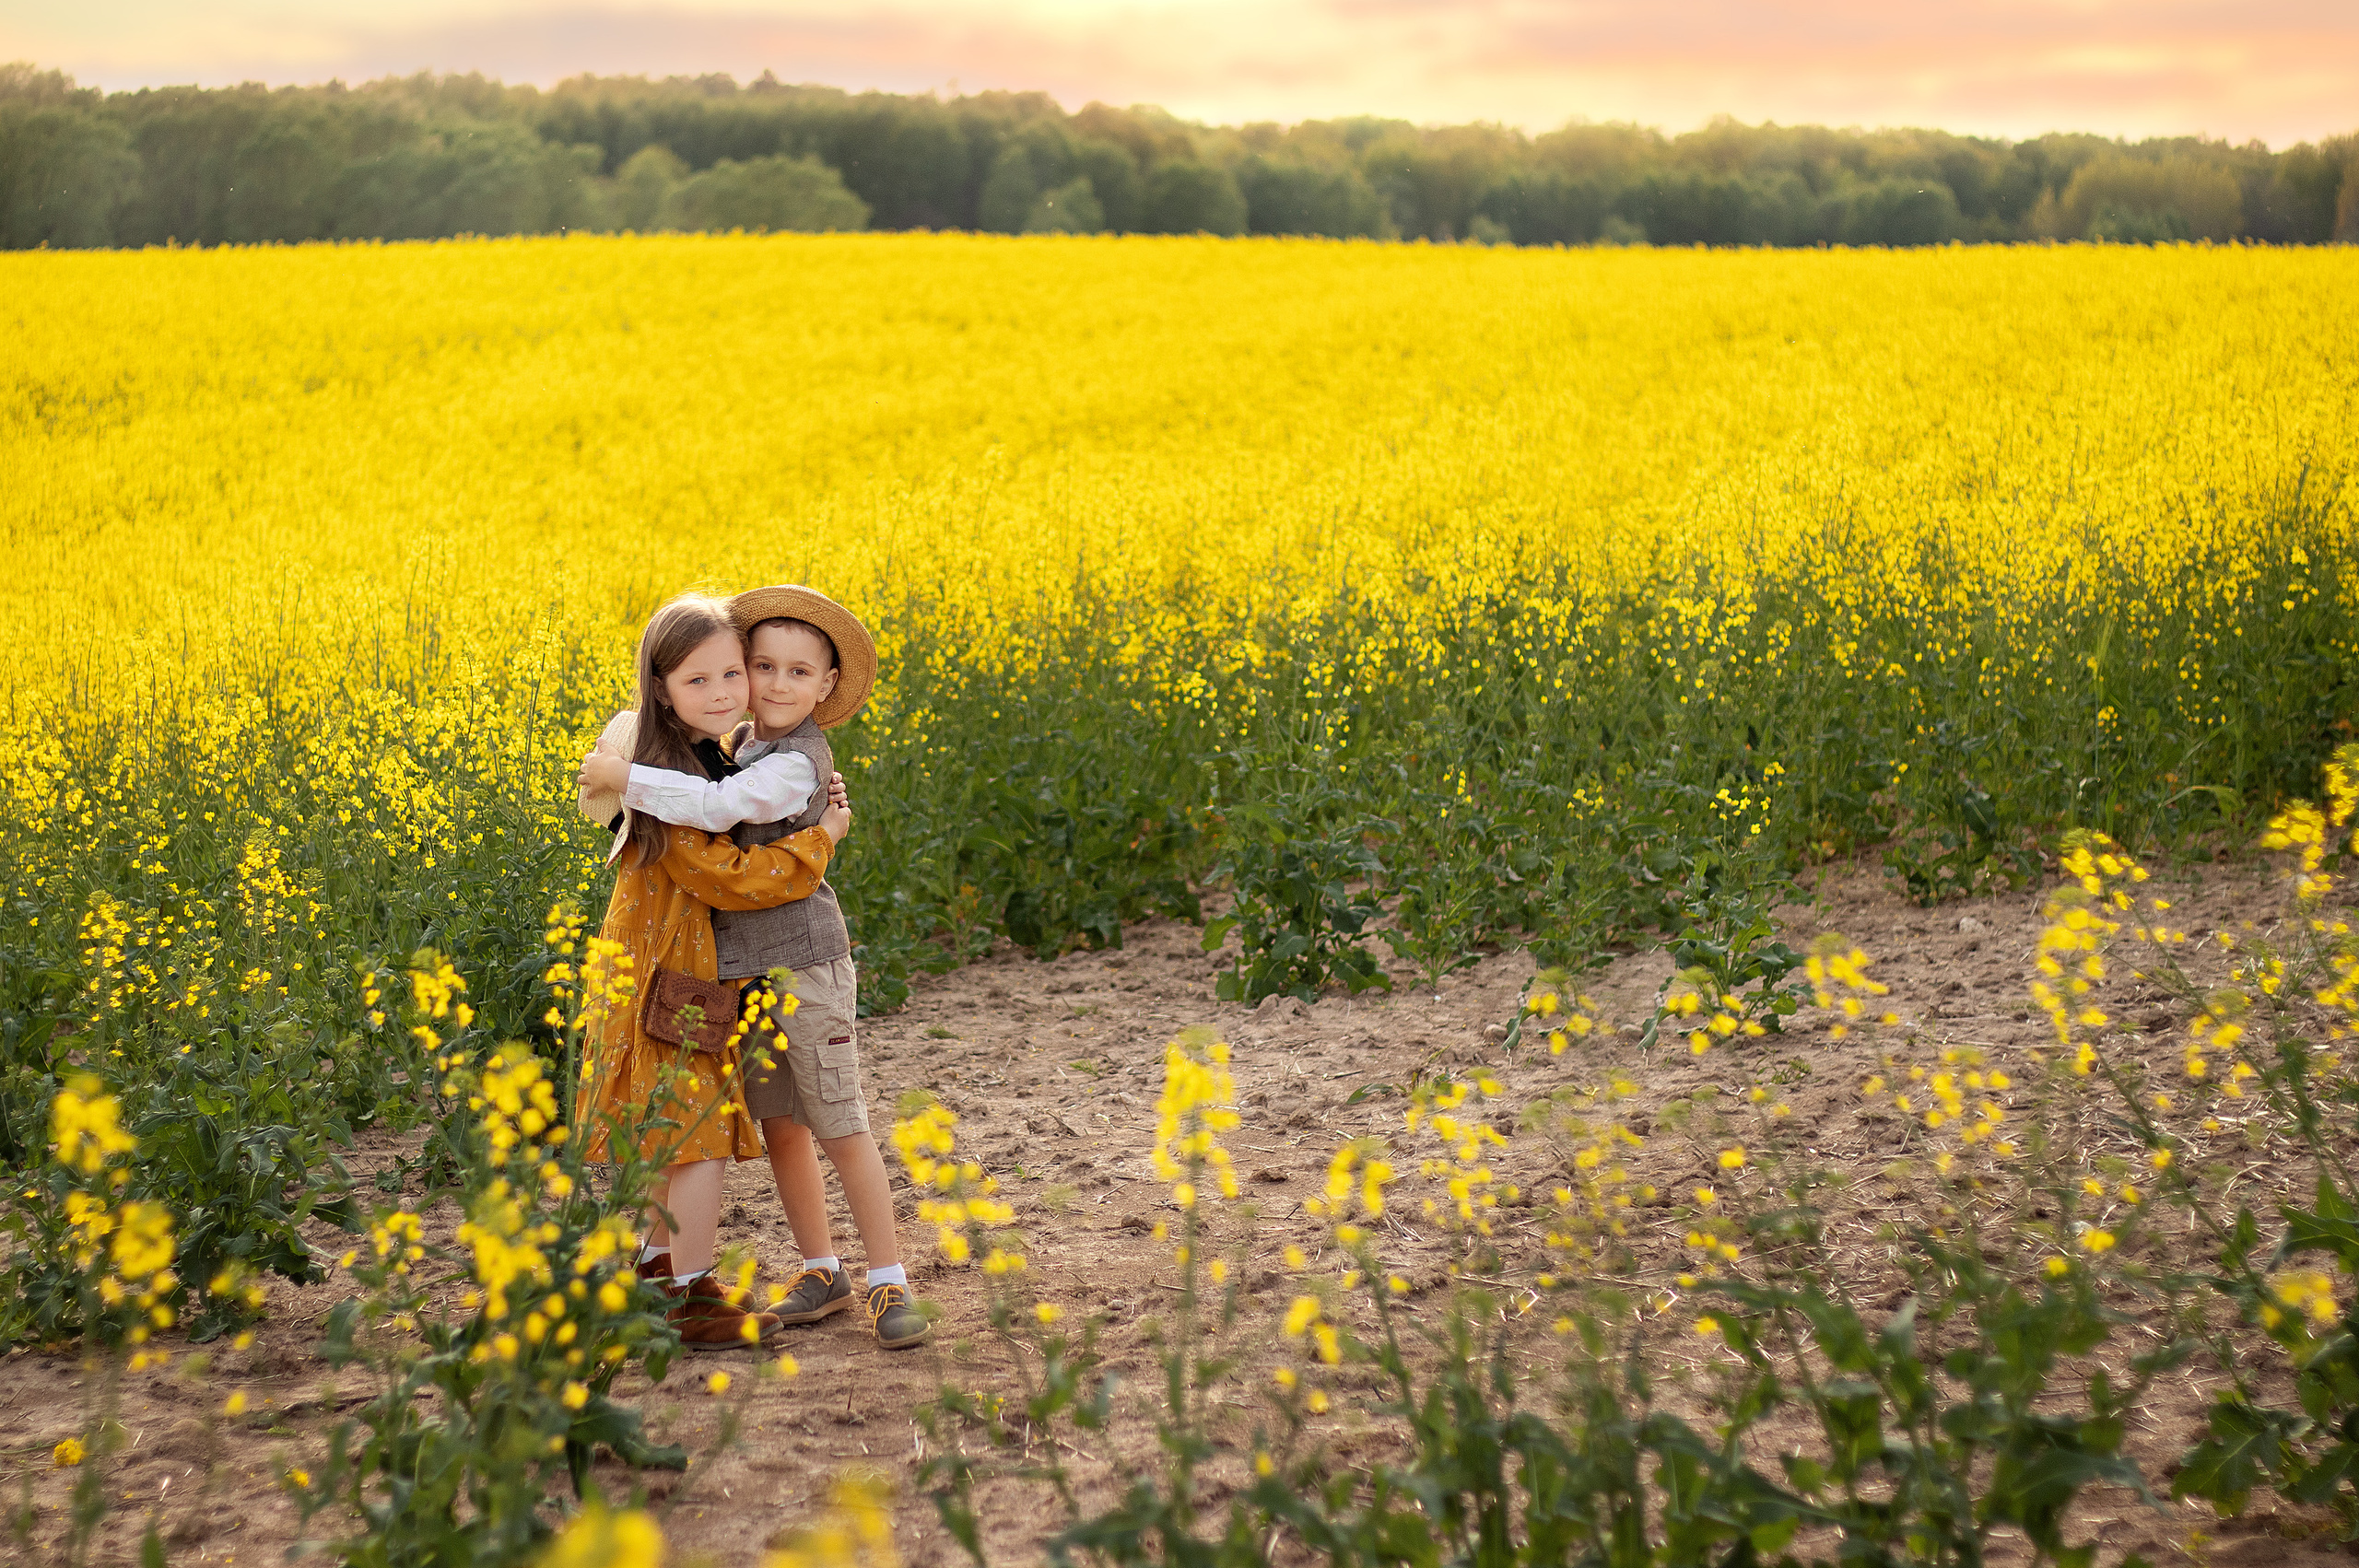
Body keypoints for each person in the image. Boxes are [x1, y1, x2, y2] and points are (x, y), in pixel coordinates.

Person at [580, 584, 928, 1352]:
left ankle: (888, 1277)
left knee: (839, 1125)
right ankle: (822, 1268)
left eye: (795, 672)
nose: (770, 685)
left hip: (805, 965)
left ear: (828, 685)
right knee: (779, 1129)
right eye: (758, 665)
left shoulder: (793, 764)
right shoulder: (738, 745)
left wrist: (621, 776)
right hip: (742, 975)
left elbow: (720, 809)